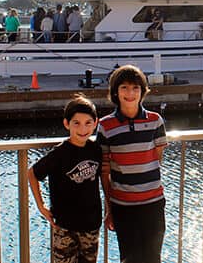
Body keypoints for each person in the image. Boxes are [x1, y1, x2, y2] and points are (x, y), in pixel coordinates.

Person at [97, 65, 167, 263]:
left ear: (143, 91)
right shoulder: (105, 126)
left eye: (135, 88)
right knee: (129, 258)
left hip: (153, 203)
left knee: (153, 258)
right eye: (124, 88)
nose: (130, 93)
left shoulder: (155, 121)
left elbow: (157, 158)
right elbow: (104, 171)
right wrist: (108, 208)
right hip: (123, 205)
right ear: (115, 92)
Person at [27, 95, 102, 263]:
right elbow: (32, 173)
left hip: (91, 224)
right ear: (66, 123)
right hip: (65, 225)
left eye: (88, 123)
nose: (83, 128)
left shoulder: (96, 150)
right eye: (77, 123)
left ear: (95, 123)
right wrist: (41, 206)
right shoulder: (59, 153)